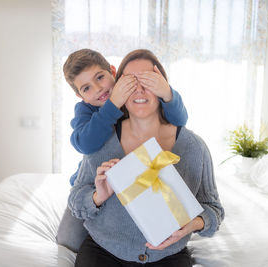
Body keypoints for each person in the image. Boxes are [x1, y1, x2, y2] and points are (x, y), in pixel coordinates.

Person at [68, 49, 224, 266]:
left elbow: (214, 209)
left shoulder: (193, 147)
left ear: (163, 87)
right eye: (131, 82)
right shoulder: (99, 135)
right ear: (120, 91)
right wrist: (98, 197)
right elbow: (76, 199)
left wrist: (194, 224)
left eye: (148, 81)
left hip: (169, 255)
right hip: (103, 251)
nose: (139, 89)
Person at [57, 48, 189, 252]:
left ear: (112, 71)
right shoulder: (87, 109)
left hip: (136, 180)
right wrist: (113, 103)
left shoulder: (134, 97)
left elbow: (179, 121)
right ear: (79, 95)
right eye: (86, 88)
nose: (98, 89)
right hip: (95, 183)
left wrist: (167, 93)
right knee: (67, 240)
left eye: (100, 77)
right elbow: (85, 143)